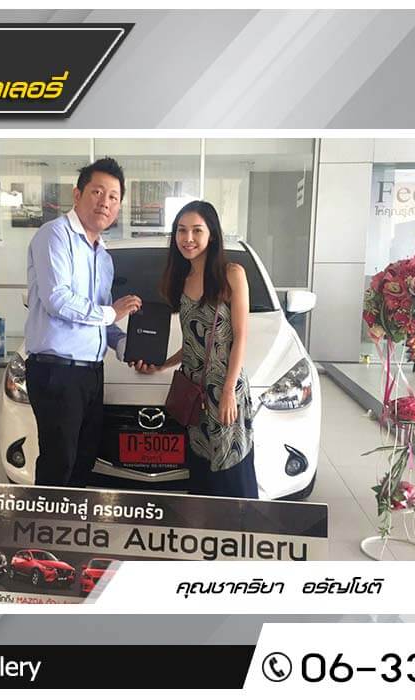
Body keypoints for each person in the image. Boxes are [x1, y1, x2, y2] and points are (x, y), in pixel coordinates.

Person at [24, 157, 141, 487]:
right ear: (77, 195)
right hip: (56, 371)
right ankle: (47, 520)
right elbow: (57, 299)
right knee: (59, 463)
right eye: (97, 192)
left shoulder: (103, 258)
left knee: (84, 460)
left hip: (91, 373)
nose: (105, 202)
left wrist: (127, 346)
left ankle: (73, 519)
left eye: (114, 197)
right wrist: (112, 313)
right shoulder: (54, 235)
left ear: (119, 207)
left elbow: (101, 317)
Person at [132, 200, 257, 499]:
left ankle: (241, 525)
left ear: (211, 234)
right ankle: (202, 525)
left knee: (232, 471)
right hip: (194, 391)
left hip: (224, 389)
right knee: (201, 472)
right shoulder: (182, 280)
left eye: (197, 230)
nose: (188, 238)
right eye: (181, 230)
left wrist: (228, 391)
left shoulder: (232, 273)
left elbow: (240, 336)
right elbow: (193, 342)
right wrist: (163, 364)